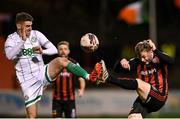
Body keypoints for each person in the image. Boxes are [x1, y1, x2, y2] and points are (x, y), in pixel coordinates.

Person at [4, 12, 107, 118]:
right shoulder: (11, 39)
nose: (30, 28)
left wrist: (42, 51)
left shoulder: (36, 34)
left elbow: (53, 49)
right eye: (27, 26)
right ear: (18, 25)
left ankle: (90, 77)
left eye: (31, 25)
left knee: (61, 61)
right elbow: (9, 55)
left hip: (41, 73)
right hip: (27, 82)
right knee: (31, 116)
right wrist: (23, 42)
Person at [96, 39, 174, 119]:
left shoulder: (159, 57)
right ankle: (107, 78)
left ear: (150, 51)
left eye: (143, 56)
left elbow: (171, 61)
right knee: (133, 117)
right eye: (140, 57)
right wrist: (121, 62)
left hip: (159, 97)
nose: (142, 59)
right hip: (144, 98)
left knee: (138, 83)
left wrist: (155, 49)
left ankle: (108, 78)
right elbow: (117, 69)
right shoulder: (138, 62)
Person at [52, 41, 85, 118]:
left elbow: (81, 78)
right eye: (60, 49)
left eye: (65, 49)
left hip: (70, 100)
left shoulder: (74, 64)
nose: (63, 51)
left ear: (69, 51)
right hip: (57, 100)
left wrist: (82, 89)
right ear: (57, 51)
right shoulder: (53, 64)